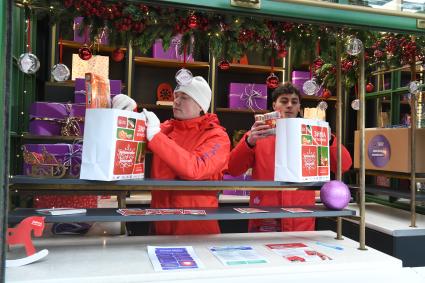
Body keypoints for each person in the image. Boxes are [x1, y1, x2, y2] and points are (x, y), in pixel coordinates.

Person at [113, 76, 231, 235]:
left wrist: (155, 135)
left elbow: (196, 168)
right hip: (160, 227)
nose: (176, 101)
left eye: (185, 97)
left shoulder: (217, 137)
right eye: (176, 96)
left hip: (197, 231)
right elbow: (132, 136)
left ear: (200, 106)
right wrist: (130, 112)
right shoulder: (165, 129)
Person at [227, 82, 316, 233]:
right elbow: (233, 169)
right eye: (284, 101)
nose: (289, 105)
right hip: (264, 215)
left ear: (299, 108)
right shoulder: (257, 135)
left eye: (294, 102)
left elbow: (344, 165)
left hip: (300, 219)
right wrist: (248, 142)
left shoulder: (312, 135)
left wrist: (329, 140)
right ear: (274, 105)